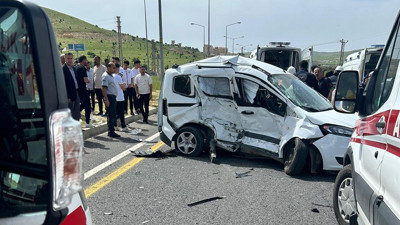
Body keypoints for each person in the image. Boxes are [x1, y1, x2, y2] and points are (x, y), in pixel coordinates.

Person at [102, 63, 120, 138]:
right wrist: (106, 99)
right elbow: (103, 88)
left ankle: (112, 130)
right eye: (113, 67)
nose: (114, 69)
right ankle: (111, 131)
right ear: (108, 67)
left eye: (115, 67)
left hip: (113, 97)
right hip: (109, 97)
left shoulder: (110, 76)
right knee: (111, 115)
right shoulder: (105, 76)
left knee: (113, 115)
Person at [75, 55, 93, 128]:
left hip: (77, 89)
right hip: (83, 89)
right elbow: (85, 79)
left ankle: (75, 114)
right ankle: (88, 122)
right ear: (83, 60)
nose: (86, 62)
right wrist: (88, 81)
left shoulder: (75, 67)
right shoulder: (82, 68)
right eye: (86, 60)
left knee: (82, 104)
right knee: (88, 106)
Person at [62, 52, 80, 121]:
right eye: (68, 58)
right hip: (69, 95)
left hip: (76, 92)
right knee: (69, 113)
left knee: (76, 112)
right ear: (65, 59)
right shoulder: (63, 69)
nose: (70, 60)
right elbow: (63, 84)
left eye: (71, 58)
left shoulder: (74, 68)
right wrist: (67, 96)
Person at [114, 64, 128, 131]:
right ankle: (123, 126)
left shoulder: (110, 76)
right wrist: (124, 86)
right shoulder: (118, 77)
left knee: (115, 112)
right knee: (121, 113)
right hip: (120, 97)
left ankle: (115, 125)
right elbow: (122, 87)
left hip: (114, 96)